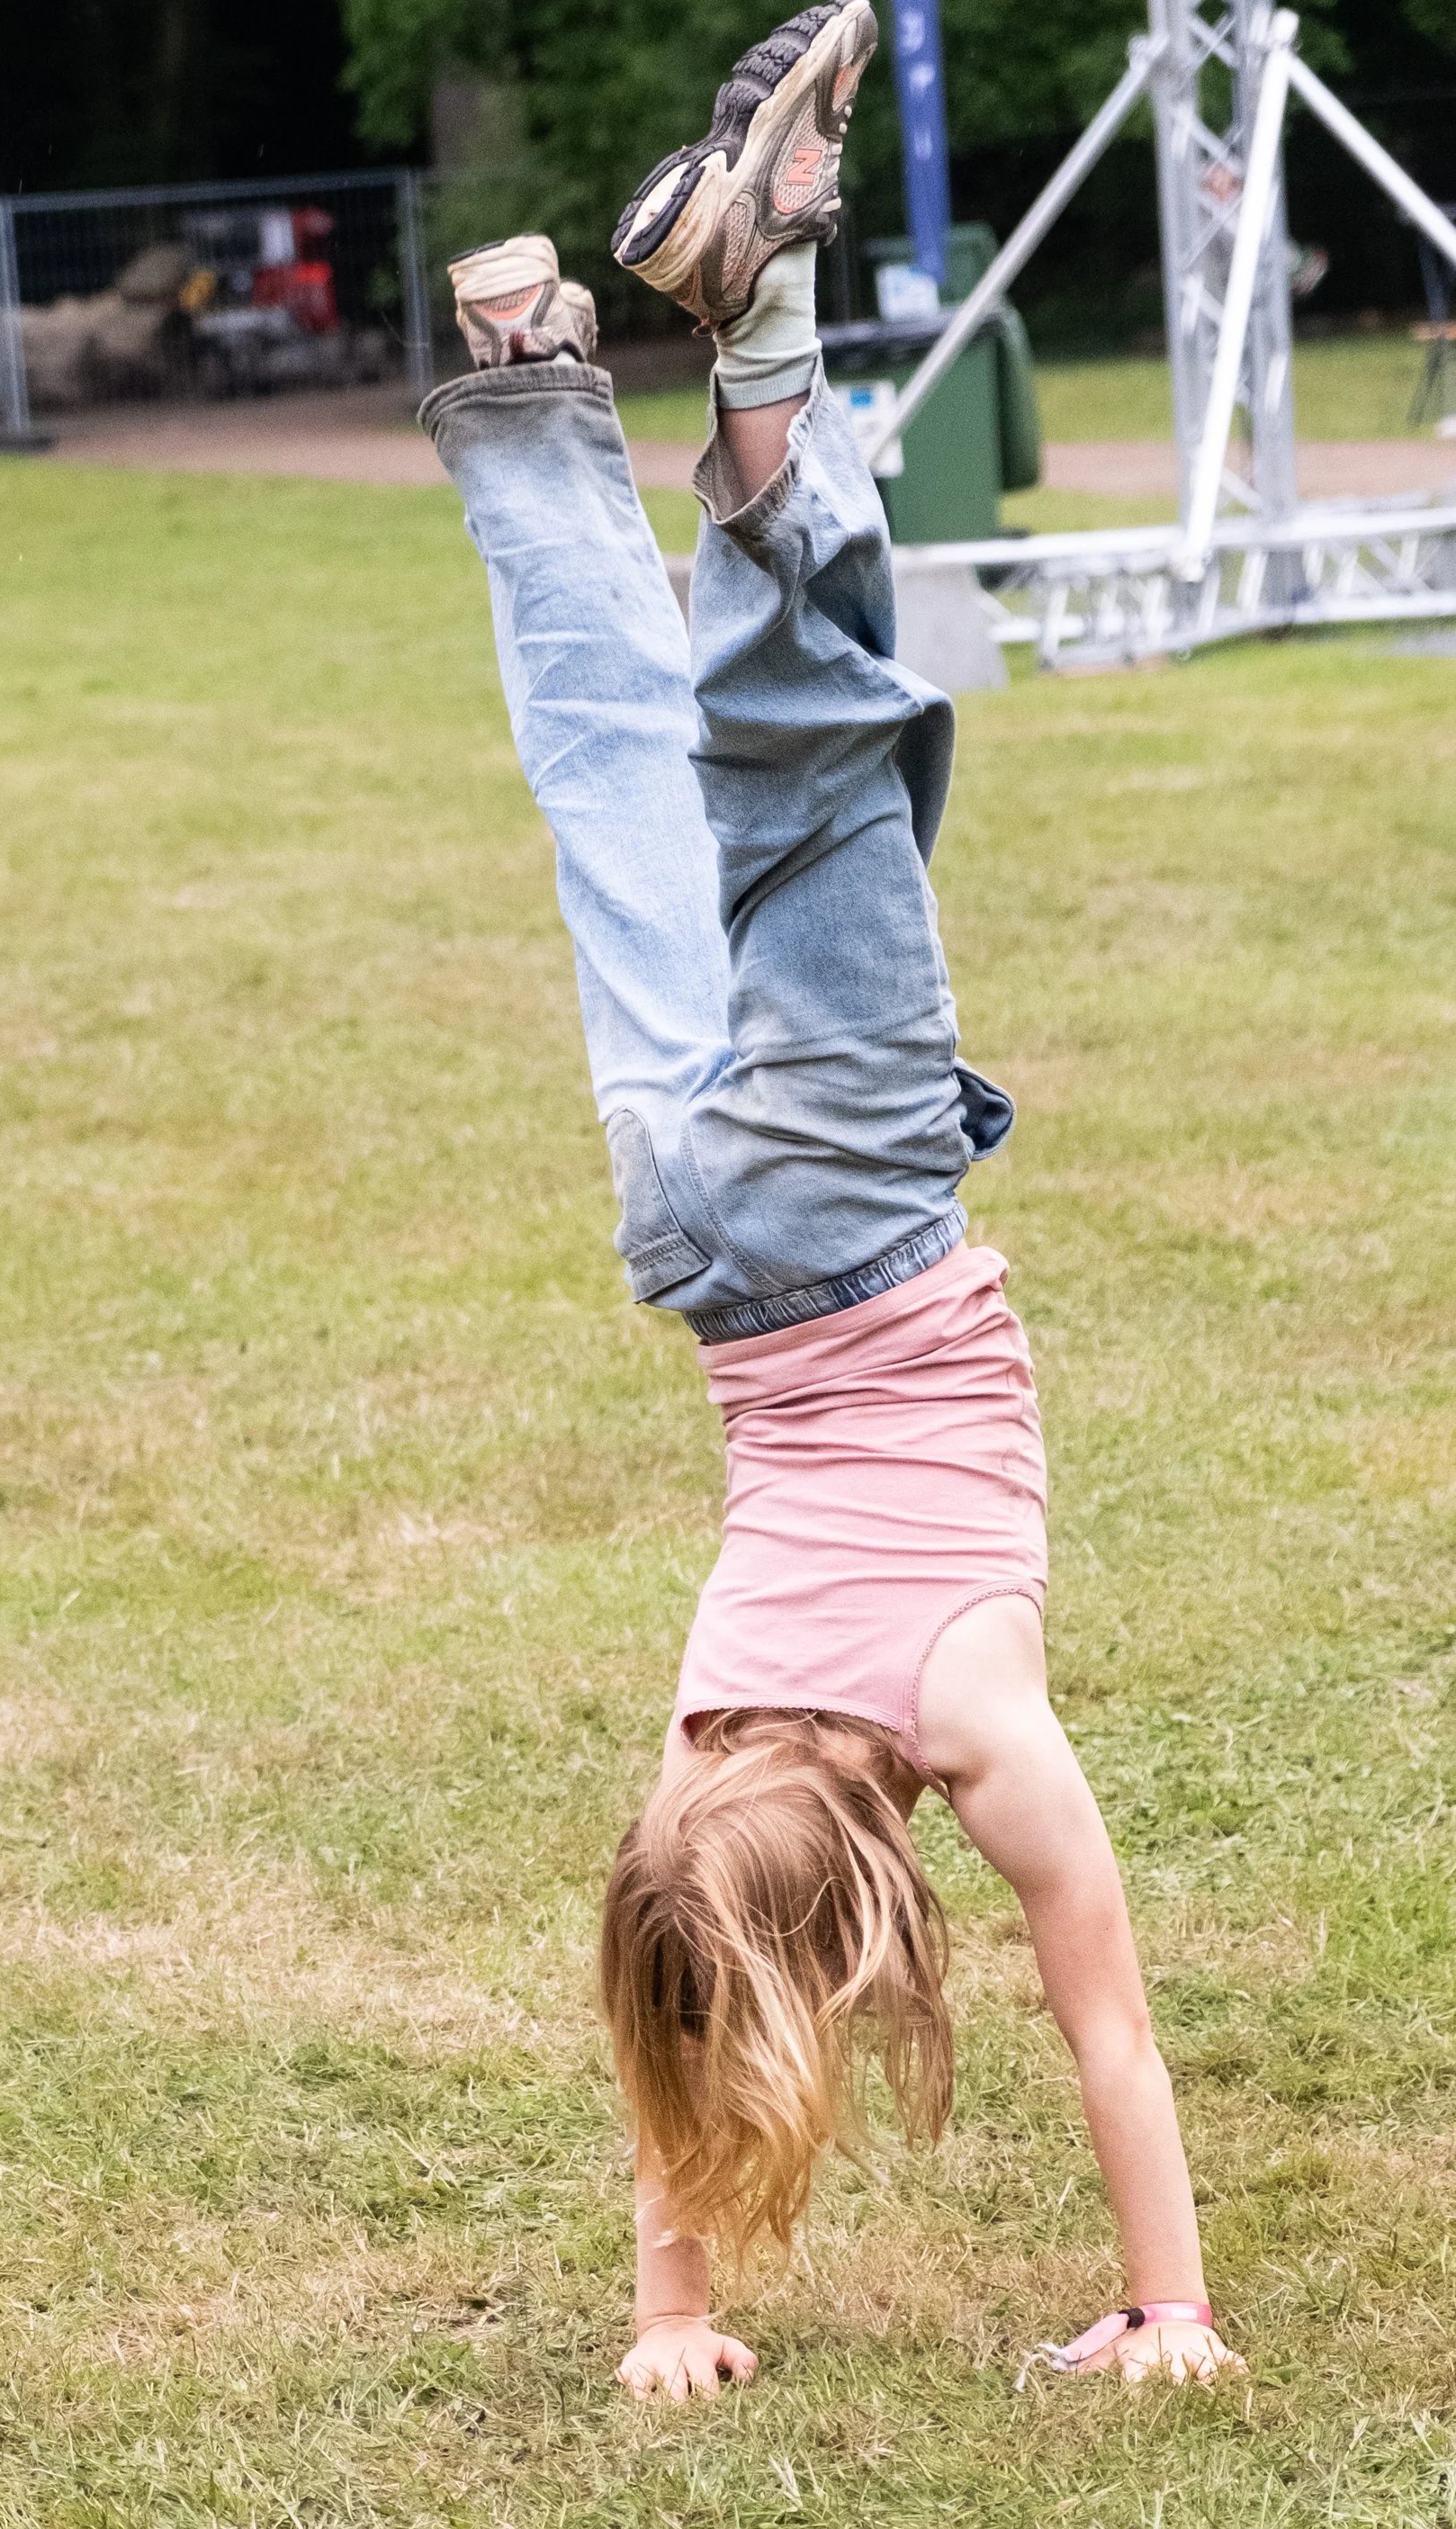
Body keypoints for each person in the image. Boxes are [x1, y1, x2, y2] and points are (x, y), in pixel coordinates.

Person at [425, 3, 1241, 2398]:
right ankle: (520, 366)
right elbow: (686, 1972)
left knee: (815, 772)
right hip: (687, 1238)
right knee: (618, 792)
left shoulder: (969, 1721)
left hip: (863, 1217)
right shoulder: (690, 1756)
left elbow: (1104, 2026)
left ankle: (761, 312)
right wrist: (655, 2309)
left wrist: (1166, 2305)